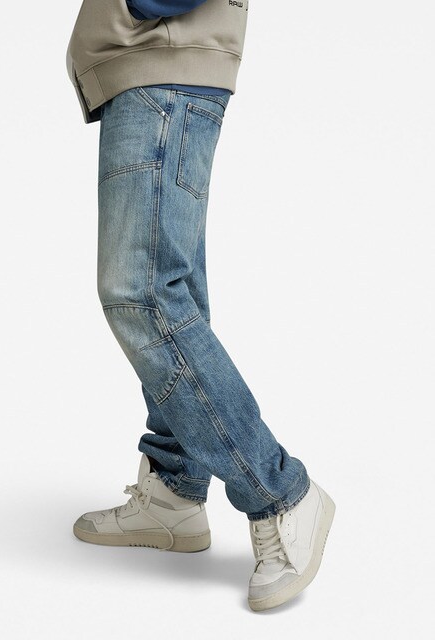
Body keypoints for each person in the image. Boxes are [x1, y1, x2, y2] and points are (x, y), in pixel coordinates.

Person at [65, 0, 335, 611]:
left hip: (158, 57)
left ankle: (281, 494)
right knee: (171, 290)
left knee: (142, 295)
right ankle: (174, 491)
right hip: (151, 61)